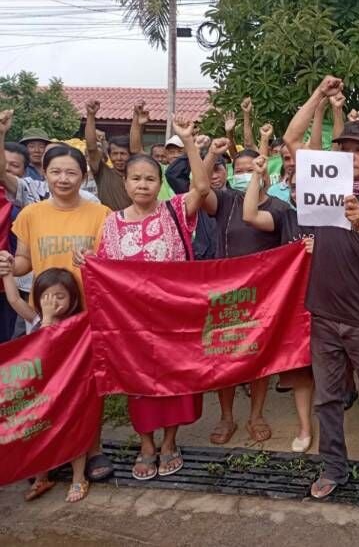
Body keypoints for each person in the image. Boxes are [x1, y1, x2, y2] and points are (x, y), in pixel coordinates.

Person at [283, 76, 359, 507]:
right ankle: (334, 466)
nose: (350, 156)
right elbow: (292, 138)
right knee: (328, 398)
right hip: (324, 316)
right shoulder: (320, 186)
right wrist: (317, 94)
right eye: (344, 148)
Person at [80, 114, 212, 481]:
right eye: (136, 178)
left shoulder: (175, 211)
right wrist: (86, 265)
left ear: (160, 183)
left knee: (176, 383)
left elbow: (201, 187)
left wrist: (188, 143)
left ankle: (170, 442)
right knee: (140, 385)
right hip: (132, 325)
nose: (143, 185)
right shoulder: (112, 222)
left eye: (150, 179)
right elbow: (104, 274)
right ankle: (146, 445)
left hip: (174, 319)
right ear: (125, 181)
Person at [0, 110, 115, 484]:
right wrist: (7, 265)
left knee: (88, 386)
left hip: (89, 314)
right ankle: (53, 449)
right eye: (56, 172)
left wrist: (96, 262)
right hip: (45, 315)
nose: (63, 179)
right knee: (47, 385)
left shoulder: (101, 214)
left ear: (83, 176)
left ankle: (93, 448)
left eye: (71, 172)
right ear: (44, 175)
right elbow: (23, 262)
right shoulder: (31, 214)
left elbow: (113, 264)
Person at [202, 144, 315, 453]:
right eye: (241, 170)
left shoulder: (280, 209)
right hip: (225, 294)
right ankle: (226, 418)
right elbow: (200, 186)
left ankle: (256, 415)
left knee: (257, 355)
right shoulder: (225, 200)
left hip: (263, 297)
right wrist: (205, 150)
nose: (248, 174)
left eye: (255, 168)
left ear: (268, 172)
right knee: (223, 355)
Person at [1, 268, 92, 502]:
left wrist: (50, 319)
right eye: (46, 297)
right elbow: (13, 299)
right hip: (41, 396)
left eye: (59, 297)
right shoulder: (36, 319)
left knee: (74, 433)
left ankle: (79, 478)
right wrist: (7, 273)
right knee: (40, 434)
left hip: (69, 393)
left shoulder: (77, 325)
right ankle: (42, 477)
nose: (52, 303)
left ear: (73, 298)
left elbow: (50, 344)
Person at [84, 100, 132, 211]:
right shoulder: (102, 172)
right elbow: (92, 148)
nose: (119, 158)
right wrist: (91, 116)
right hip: (108, 224)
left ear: (130, 155)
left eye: (123, 154)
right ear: (109, 155)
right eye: (115, 154)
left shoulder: (136, 177)